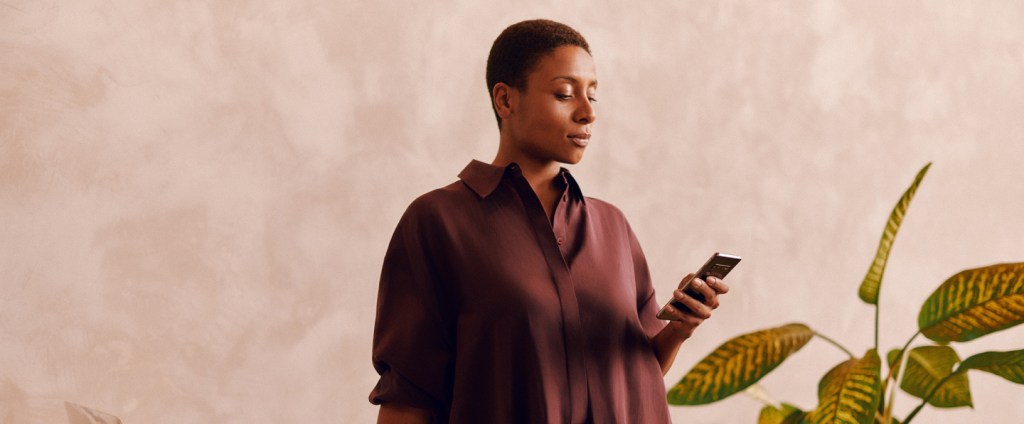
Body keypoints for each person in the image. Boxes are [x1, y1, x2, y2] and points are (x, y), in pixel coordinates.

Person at [369, 19, 729, 424]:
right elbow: (408, 394)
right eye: (565, 94)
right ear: (505, 101)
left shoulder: (612, 225)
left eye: (593, 95)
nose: (587, 113)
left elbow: (635, 369)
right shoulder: (438, 222)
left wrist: (680, 328)